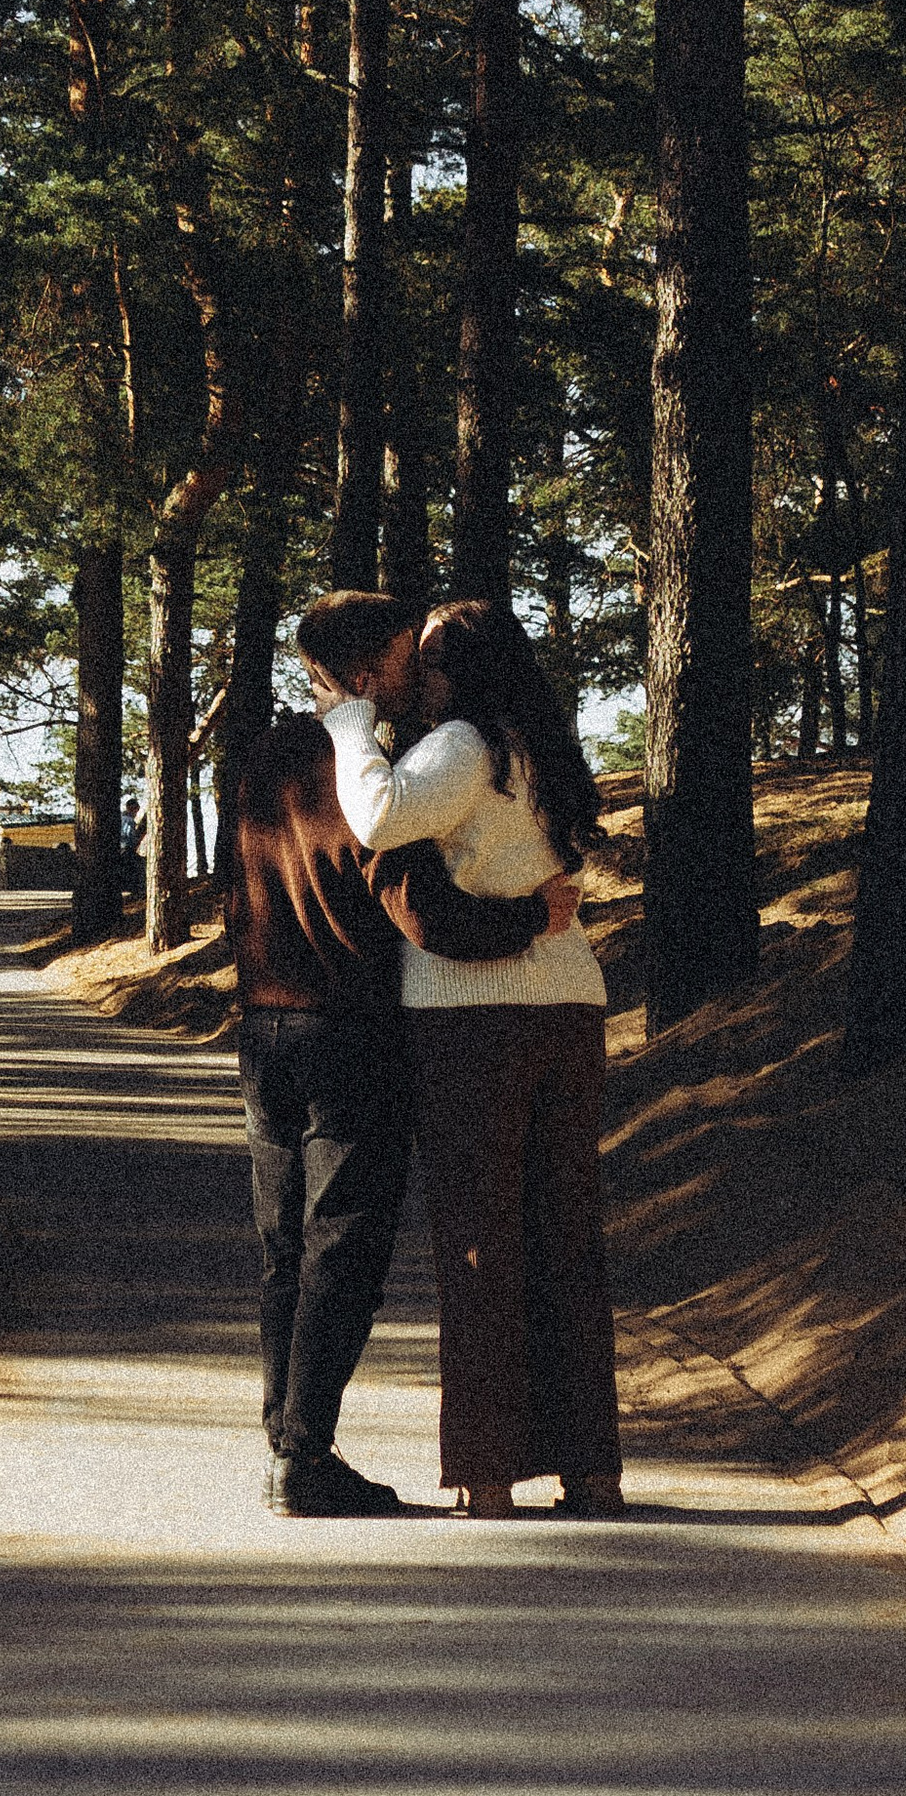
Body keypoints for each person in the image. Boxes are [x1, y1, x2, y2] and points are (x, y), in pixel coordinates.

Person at [227, 589, 583, 1520]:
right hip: (350, 1031)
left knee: (282, 1249)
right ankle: (303, 1456)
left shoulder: (265, 756)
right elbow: (421, 911)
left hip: (263, 1026)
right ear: (363, 671)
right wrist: (530, 917)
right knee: (343, 1245)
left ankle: (285, 1445)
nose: (417, 675)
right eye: (401, 658)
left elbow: (241, 888)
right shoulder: (367, 771)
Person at [322, 594, 624, 1519]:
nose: (418, 675)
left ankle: (489, 1474)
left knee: (481, 1241)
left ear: (458, 671)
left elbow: (377, 818)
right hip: (569, 1004)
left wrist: (348, 726)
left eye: (429, 660)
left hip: (471, 1017)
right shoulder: (544, 751)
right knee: (567, 1239)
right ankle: (591, 1470)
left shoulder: (462, 746)